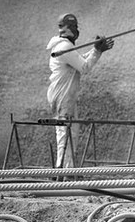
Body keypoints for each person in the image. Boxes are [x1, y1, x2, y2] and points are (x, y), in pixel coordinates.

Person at [46, 13, 114, 168]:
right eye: (75, 27)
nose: (77, 31)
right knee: (66, 133)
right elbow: (84, 67)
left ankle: (66, 168)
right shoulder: (64, 47)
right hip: (63, 96)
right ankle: (62, 170)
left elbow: (79, 60)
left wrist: (95, 49)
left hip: (63, 94)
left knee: (68, 133)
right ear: (69, 29)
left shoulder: (63, 46)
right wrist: (97, 51)